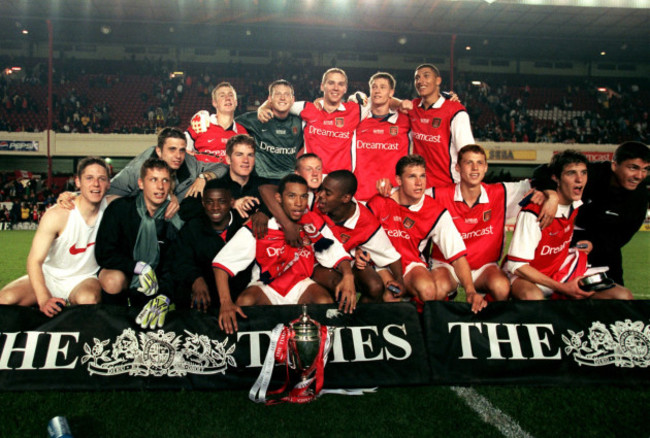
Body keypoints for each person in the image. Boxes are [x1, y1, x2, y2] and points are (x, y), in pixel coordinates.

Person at [213, 174, 356, 334]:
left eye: (303, 197)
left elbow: (335, 252)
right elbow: (222, 265)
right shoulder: (261, 225)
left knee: (323, 301)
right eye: (291, 196)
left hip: (300, 284)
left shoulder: (311, 222)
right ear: (278, 199)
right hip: (267, 285)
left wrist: (348, 276)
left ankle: (320, 350)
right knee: (245, 301)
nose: (298, 203)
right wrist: (225, 303)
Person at [430, 144, 558, 301]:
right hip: (447, 265)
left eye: (480, 163)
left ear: (486, 167)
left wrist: (552, 195)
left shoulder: (502, 192)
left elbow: (542, 174)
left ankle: (488, 321)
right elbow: (407, 195)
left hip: (484, 267)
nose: (475, 168)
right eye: (469, 162)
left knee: (502, 287)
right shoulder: (437, 194)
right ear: (457, 167)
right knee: (436, 288)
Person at [505, 150, 633, 301]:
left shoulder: (576, 203)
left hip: (560, 269)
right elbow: (517, 266)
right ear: (556, 178)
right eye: (571, 173)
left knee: (622, 295)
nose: (580, 179)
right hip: (528, 276)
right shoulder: (535, 211)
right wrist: (562, 288)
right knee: (532, 297)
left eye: (583, 173)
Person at [367, 155, 486, 313]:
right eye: (412, 177)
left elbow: (457, 255)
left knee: (428, 289)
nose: (419, 183)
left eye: (422, 176)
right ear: (399, 180)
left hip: (409, 264)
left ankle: (424, 327)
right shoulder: (380, 202)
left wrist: (470, 291)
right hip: (379, 264)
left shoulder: (435, 211)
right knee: (390, 297)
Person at [0, 157, 110, 317]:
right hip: (50, 276)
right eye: (89, 178)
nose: (96, 184)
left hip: (84, 279)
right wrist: (43, 298)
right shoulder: (57, 215)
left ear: (109, 183)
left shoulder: (112, 207)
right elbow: (34, 260)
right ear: (77, 182)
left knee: (89, 300)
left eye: (102, 179)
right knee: (5, 300)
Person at [534, 141, 649, 285]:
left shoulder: (640, 195)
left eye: (645, 169)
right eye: (633, 168)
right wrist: (551, 195)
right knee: (553, 287)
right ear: (614, 165)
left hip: (602, 244)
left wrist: (595, 244)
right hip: (564, 237)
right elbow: (543, 170)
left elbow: (624, 234)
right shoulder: (591, 172)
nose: (639, 175)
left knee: (617, 295)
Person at [95, 158, 184, 327]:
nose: (160, 187)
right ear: (141, 183)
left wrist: (164, 296)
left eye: (165, 180)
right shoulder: (120, 209)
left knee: (150, 321)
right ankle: (112, 324)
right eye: (153, 180)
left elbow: (176, 265)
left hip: (155, 282)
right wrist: (139, 267)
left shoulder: (174, 219)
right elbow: (104, 253)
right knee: (112, 280)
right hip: (126, 273)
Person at [312, 170, 404, 303]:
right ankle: (336, 321)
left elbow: (389, 254)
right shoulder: (312, 203)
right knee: (341, 284)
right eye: (321, 189)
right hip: (315, 261)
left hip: (344, 263)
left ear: (346, 198)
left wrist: (400, 280)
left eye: (327, 193)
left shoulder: (365, 221)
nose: (320, 195)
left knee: (375, 287)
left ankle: (357, 321)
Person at [259, 68, 364, 174]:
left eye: (340, 84)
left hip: (340, 179)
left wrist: (355, 96)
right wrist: (263, 107)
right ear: (322, 86)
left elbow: (373, 102)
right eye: (331, 83)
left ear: (345, 88)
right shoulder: (307, 108)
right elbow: (281, 102)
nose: (336, 88)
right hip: (311, 177)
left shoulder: (355, 110)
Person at [107, 127, 226, 219]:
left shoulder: (190, 162)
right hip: (140, 220)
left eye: (182, 150)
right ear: (159, 151)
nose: (178, 156)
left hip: (174, 225)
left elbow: (222, 167)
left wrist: (204, 177)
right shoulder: (137, 169)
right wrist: (165, 197)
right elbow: (108, 197)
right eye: (172, 149)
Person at [171, 178, 249, 311]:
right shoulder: (193, 227)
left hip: (237, 293)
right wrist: (196, 279)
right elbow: (180, 260)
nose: (215, 207)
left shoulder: (243, 225)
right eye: (209, 202)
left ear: (231, 202)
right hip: (203, 295)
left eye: (222, 201)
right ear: (203, 203)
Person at [402, 64, 475, 188]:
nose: (420, 81)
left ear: (438, 80)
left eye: (426, 76)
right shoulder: (412, 107)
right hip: (420, 188)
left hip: (448, 187)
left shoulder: (455, 111)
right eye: (417, 78)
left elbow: (469, 153)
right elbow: (387, 101)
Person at [353, 72, 411, 202]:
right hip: (361, 196)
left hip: (393, 196)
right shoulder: (357, 119)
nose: (377, 91)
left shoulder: (405, 120)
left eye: (382, 87)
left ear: (391, 92)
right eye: (374, 87)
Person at [235, 79, 303, 181]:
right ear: (269, 99)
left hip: (289, 179)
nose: (282, 98)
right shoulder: (256, 119)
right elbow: (228, 122)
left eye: (287, 94)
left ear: (293, 100)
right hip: (261, 178)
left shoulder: (300, 122)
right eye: (278, 94)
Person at [186, 82, 248, 164]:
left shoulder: (242, 132)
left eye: (231, 95)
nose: (227, 98)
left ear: (236, 102)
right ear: (214, 103)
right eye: (222, 96)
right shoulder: (200, 125)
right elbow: (178, 149)